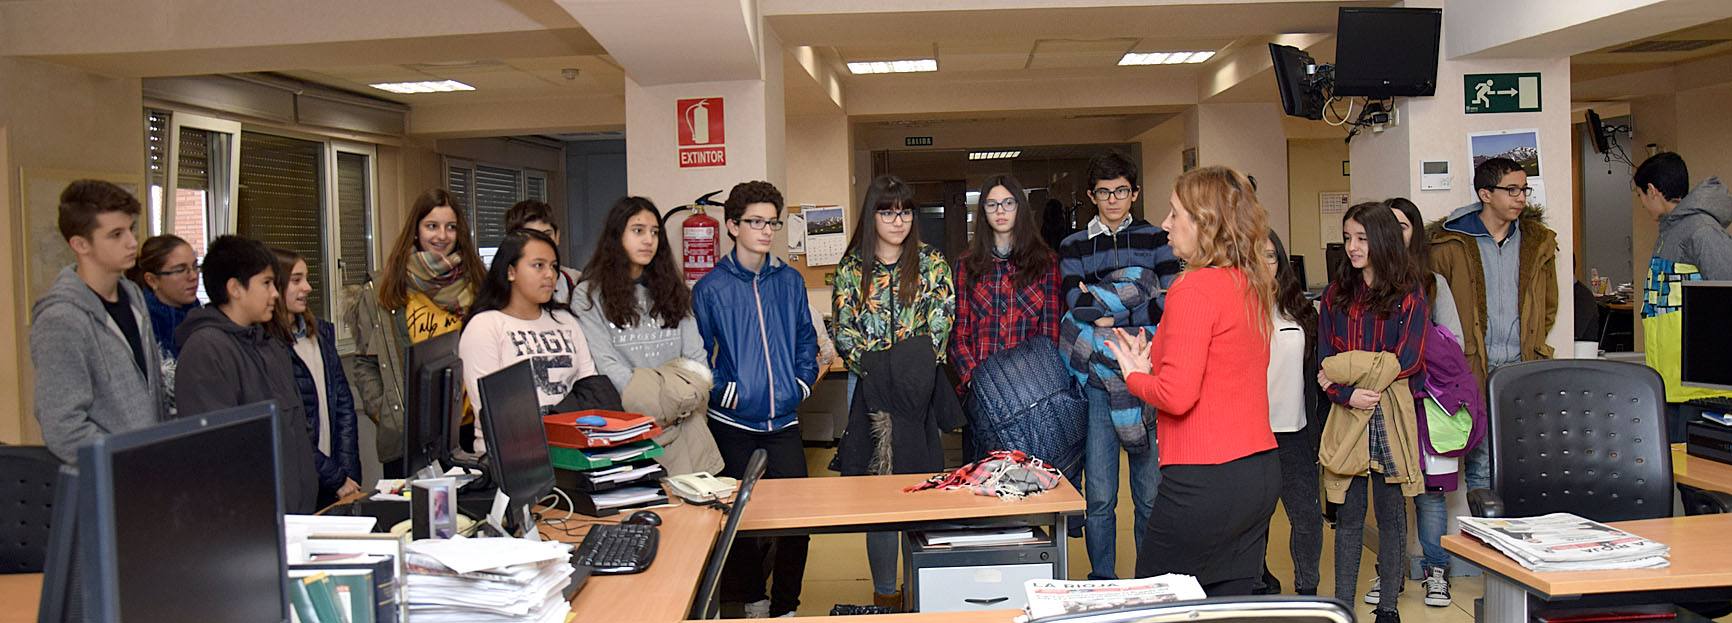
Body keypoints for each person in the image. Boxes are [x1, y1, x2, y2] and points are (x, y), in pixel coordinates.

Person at [1099, 166, 1277, 596]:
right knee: (1224, 605)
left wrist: (1136, 376)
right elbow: (1219, 375)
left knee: (1156, 602)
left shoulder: (1191, 288)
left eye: (1176, 213)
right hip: (1257, 475)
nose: (1165, 223)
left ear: (1206, 223)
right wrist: (1154, 367)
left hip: (1204, 480)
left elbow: (1176, 397)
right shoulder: (1251, 282)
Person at [692, 180, 819, 619]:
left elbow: (807, 340)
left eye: (772, 222)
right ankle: (754, 602)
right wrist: (722, 389)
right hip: (731, 426)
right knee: (740, 523)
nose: (766, 231)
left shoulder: (789, 282)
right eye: (755, 222)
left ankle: (786, 607)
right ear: (732, 226)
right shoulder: (710, 289)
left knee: (798, 525)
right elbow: (696, 356)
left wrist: (800, 383)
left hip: (783, 422)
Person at [832, 175, 958, 609]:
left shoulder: (932, 263)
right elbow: (844, 331)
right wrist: (875, 369)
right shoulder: (852, 268)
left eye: (905, 211)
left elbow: (940, 324)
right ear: (872, 215)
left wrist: (905, 370)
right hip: (867, 388)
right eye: (887, 211)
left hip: (917, 389)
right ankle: (885, 592)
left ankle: (923, 588)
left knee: (919, 489)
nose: (897, 220)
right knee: (879, 497)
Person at [1058, 151, 1182, 580]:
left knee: (1149, 495)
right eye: (1105, 192)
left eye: (1122, 191)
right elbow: (1075, 304)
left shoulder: (1157, 239)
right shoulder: (1073, 245)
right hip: (1097, 378)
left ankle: (1149, 580)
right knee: (1100, 497)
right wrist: (1135, 297)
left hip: (1147, 376)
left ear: (1135, 193)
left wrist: (1113, 314)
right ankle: (1103, 580)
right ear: (1092, 196)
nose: (1114, 199)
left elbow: (1166, 300)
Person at [1318, 203, 1430, 623]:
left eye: (1362, 238)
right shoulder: (1335, 294)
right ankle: (1342, 605)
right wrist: (1349, 393)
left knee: (1390, 514)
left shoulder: (1409, 294)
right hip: (1350, 413)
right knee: (1346, 515)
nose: (1352, 247)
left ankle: (1388, 609)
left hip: (1391, 415)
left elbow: (1409, 360)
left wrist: (1355, 373)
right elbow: (1327, 363)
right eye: (1348, 238)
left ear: (1382, 239)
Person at [1429, 156, 1558, 497]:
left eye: (1524, 190)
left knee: (1525, 459)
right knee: (1482, 463)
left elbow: (1548, 306)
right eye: (1512, 190)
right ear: (1486, 194)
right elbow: (1432, 309)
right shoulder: (1449, 244)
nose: (1521, 198)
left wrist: (1532, 341)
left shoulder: (1537, 242)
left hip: (1522, 365)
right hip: (1473, 366)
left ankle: (1518, 542)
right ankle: (1484, 542)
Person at [573, 197, 723, 477]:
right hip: (628, 440)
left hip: (688, 436)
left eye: (655, 232)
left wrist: (667, 396)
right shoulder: (589, 296)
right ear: (617, 236)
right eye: (638, 230)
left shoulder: (674, 290)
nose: (648, 240)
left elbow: (698, 366)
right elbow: (608, 369)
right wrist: (673, 398)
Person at [175, 235, 319, 514]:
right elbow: (217, 455)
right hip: (251, 522)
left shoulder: (270, 344)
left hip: (297, 517)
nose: (275, 294)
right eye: (266, 283)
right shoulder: (206, 351)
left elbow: (298, 431)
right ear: (235, 289)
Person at [348, 188, 486, 477]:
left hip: (467, 429)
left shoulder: (478, 285)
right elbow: (365, 363)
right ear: (416, 230)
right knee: (413, 520)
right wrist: (385, 412)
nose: (442, 236)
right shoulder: (384, 289)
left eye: (451, 227)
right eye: (431, 226)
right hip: (410, 435)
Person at [31, 180, 166, 463]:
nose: (131, 242)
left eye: (131, 229)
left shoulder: (133, 296)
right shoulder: (61, 318)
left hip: (150, 472)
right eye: (116, 234)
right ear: (80, 244)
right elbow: (63, 427)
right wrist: (125, 461)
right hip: (110, 479)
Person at [1385, 197, 1465, 607]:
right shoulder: (1368, 284)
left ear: (1415, 231)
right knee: (1388, 491)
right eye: (1388, 225)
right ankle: (1390, 574)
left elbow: (1456, 345)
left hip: (1429, 403)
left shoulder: (1433, 283)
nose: (1396, 233)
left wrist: (1418, 339)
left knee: (1430, 493)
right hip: (1383, 403)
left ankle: (1437, 572)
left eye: (1403, 225)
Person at [460, 229, 597, 446]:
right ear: (511, 271)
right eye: (538, 265)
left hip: (573, 448)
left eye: (553, 266)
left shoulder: (566, 320)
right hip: (512, 455)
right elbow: (493, 413)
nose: (550, 275)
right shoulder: (484, 326)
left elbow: (590, 389)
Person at [1632, 152, 1732, 438]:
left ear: (1652, 191)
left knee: (1697, 477)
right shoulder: (1671, 230)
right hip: (1673, 381)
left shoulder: (1700, 231)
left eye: (1640, 195)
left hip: (1700, 387)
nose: (1642, 203)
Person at [1254, 232, 1323, 597]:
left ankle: (1308, 589)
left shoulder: (1300, 310)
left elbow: (1315, 373)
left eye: (1270, 256)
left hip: (1294, 431)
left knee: (1307, 517)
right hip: (1250, 434)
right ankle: (1257, 580)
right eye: (1255, 257)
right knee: (1254, 521)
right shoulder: (1235, 307)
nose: (1264, 265)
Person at [267, 247, 363, 507]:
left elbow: (343, 406)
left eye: (306, 278)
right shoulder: (268, 348)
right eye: (296, 280)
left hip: (337, 478)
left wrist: (347, 472)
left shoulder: (319, 335)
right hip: (303, 482)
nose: (307, 287)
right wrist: (334, 477)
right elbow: (292, 431)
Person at [950, 174, 1061, 393]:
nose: (1000, 211)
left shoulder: (1045, 262)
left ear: (1020, 208)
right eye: (992, 205)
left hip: (1030, 391)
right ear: (984, 211)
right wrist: (975, 380)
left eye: (1008, 203)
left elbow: (1049, 336)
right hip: (981, 390)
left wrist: (1029, 382)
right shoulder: (966, 264)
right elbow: (958, 334)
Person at [123, 234, 202, 413]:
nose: (193, 276)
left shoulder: (199, 314)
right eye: (180, 270)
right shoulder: (141, 323)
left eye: (195, 266)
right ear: (152, 280)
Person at [504, 199, 583, 306]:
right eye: (532, 237)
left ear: (557, 236)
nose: (543, 244)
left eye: (547, 235)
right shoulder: (502, 290)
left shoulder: (577, 282)